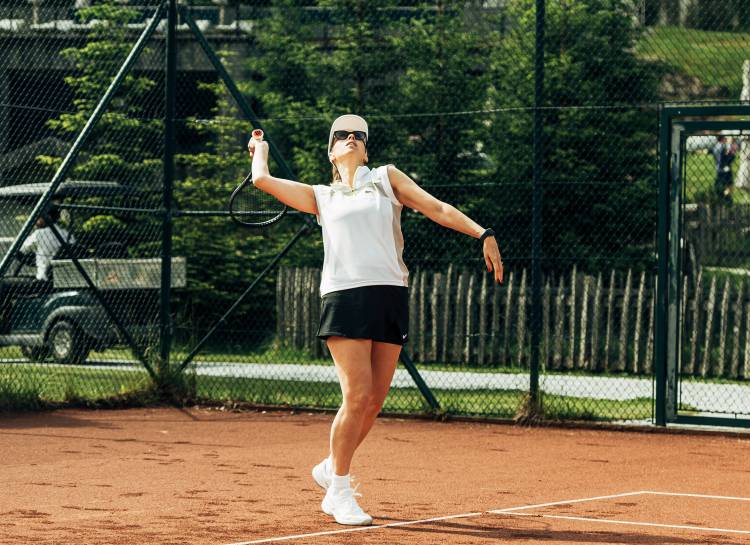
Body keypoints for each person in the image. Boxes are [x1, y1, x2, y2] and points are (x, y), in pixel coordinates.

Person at [248, 114, 503, 526]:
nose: (351, 139)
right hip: (344, 297)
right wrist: (258, 149)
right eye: (341, 136)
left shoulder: (386, 179)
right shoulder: (320, 196)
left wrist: (482, 232)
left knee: (374, 402)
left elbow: (435, 207)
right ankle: (339, 491)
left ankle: (331, 466)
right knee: (357, 396)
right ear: (331, 152)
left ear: (366, 148)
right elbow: (262, 179)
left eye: (358, 136)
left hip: (390, 294)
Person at [19, 207, 75, 281]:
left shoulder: (38, 234)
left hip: (44, 279)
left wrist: (35, 260)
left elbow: (20, 251)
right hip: (66, 279)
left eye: (39, 217)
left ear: (47, 217)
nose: (36, 220)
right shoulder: (67, 234)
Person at [713, 135, 737, 204]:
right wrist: (732, 155)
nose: (726, 139)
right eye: (725, 138)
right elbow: (729, 157)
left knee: (721, 185)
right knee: (730, 185)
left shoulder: (715, 147)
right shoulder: (724, 147)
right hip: (726, 169)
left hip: (718, 168)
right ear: (722, 139)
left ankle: (722, 198)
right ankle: (726, 198)